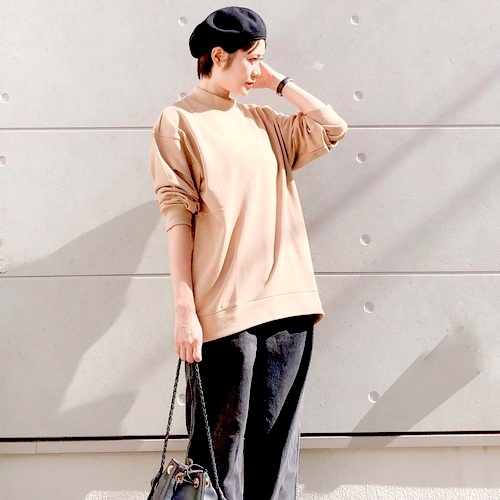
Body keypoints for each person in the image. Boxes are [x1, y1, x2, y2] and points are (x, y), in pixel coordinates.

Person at [149, 6, 348, 499]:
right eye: (252, 59)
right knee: (218, 462)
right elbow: (177, 217)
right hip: (224, 315)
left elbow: (331, 127)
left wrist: (277, 83)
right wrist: (184, 312)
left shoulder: (265, 122)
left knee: (276, 461)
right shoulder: (179, 121)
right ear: (218, 56)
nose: (258, 70)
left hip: (289, 309)